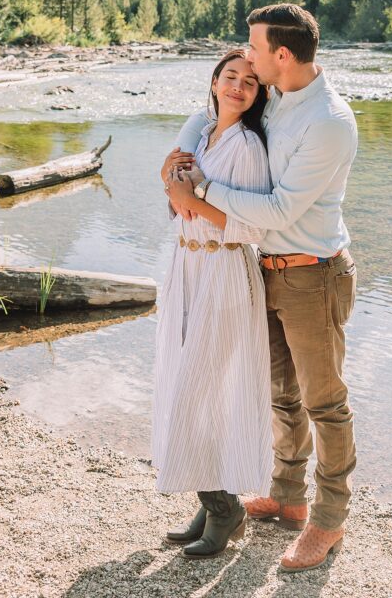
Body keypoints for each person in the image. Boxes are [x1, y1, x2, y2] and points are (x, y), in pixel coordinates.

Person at [166, 3, 358, 573]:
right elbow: (212, 115)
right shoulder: (275, 97)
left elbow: (276, 209)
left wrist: (198, 193)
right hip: (263, 269)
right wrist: (173, 165)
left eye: (254, 47)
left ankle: (328, 522)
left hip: (312, 272)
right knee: (281, 394)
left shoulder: (328, 122)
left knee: (325, 403)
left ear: (282, 54)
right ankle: (287, 496)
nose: (245, 55)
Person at [152, 48, 274, 559]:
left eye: (249, 81)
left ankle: (225, 508)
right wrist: (174, 190)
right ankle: (214, 501)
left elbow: (254, 226)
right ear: (215, 80)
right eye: (230, 76)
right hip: (186, 267)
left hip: (224, 271)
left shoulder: (246, 146)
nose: (238, 86)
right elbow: (178, 203)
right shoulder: (202, 135)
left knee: (202, 388)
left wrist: (193, 199)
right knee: (188, 380)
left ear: (258, 93)